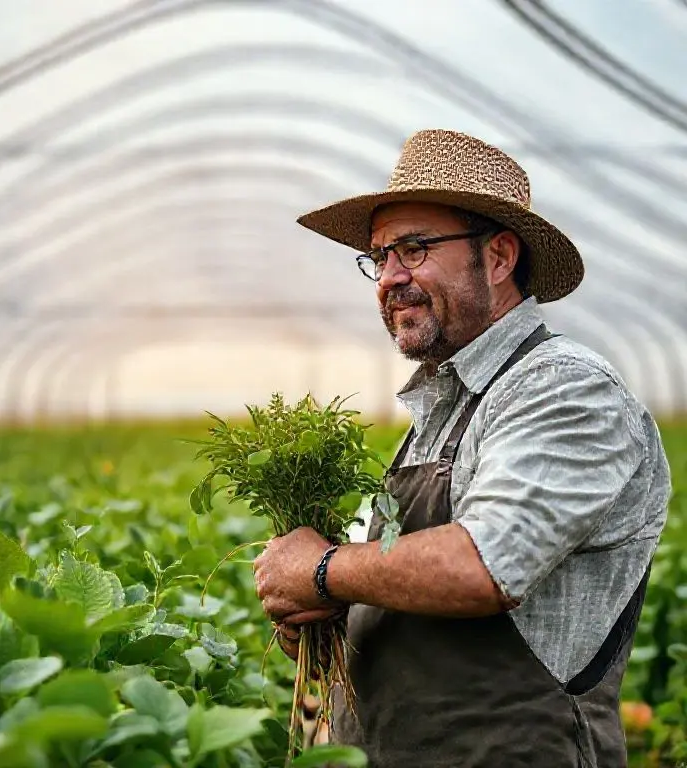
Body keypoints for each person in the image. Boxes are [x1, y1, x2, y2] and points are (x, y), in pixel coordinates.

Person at [252, 129, 672, 767]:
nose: (390, 278)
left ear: (499, 257)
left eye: (414, 249)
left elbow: (485, 564)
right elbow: (384, 577)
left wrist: (320, 569)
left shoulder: (565, 389)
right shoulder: (438, 412)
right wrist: (321, 613)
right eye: (379, 257)